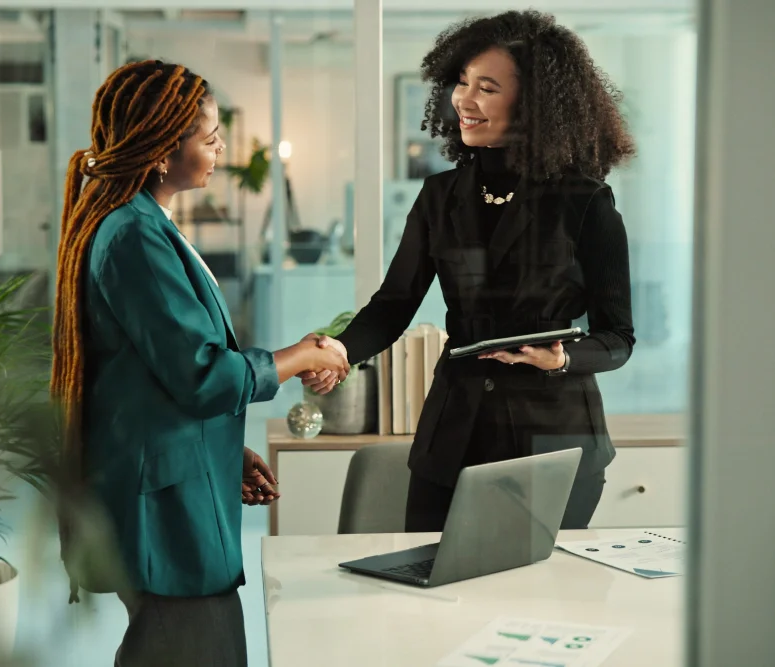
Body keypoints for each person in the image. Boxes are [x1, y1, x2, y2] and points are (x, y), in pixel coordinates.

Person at [50, 60, 349, 667]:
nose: (219, 151)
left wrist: (222, 451)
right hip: (164, 513)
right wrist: (304, 355)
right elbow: (203, 374)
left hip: (174, 484)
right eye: (210, 139)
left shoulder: (143, 223)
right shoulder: (132, 234)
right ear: (164, 149)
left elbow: (150, 378)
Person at [303, 11, 636, 533]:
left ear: (533, 104)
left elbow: (618, 338)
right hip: (451, 439)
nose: (464, 99)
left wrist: (561, 357)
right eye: (461, 82)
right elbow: (393, 305)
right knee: (429, 596)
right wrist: (342, 349)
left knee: (535, 602)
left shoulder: (585, 201)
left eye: (487, 87)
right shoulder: (440, 195)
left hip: (553, 445)